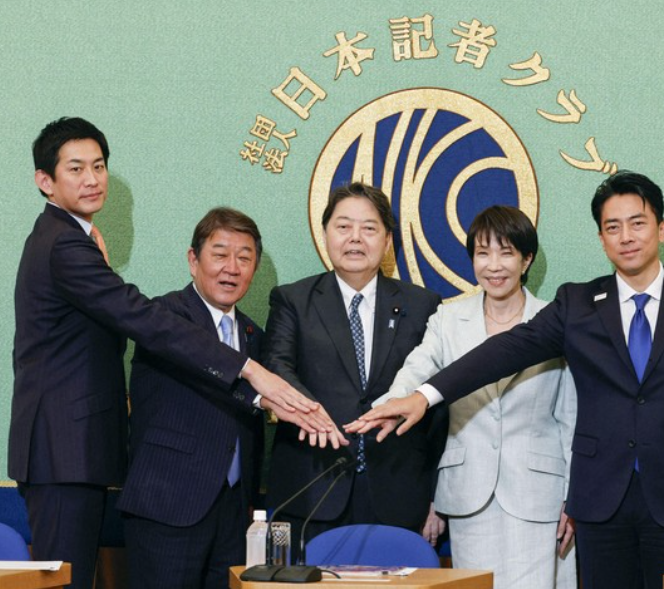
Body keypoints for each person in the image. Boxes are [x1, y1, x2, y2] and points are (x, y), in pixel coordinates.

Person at [348, 171, 664, 589]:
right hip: (599, 499)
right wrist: (425, 396)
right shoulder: (579, 304)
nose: (626, 236)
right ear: (601, 239)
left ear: (661, 230)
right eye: (613, 227)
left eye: (637, 223)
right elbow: (503, 352)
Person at [9, 117, 334, 589]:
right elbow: (141, 317)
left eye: (98, 166)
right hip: (64, 449)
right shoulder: (65, 244)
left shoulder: (73, 239)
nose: (92, 179)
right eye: (75, 169)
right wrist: (249, 371)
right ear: (45, 181)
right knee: (67, 583)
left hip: (76, 450)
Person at [375, 205, 577, 589]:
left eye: (506, 252)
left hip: (541, 495)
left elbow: (571, 416)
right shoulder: (447, 319)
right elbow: (418, 368)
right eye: (483, 253)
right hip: (469, 493)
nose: (494, 265)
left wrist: (576, 496)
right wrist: (393, 403)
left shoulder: (553, 321)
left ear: (526, 258)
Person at [264, 182, 445, 552]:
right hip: (313, 487)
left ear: (387, 238)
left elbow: (438, 405)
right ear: (326, 232)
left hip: (398, 493)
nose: (355, 238)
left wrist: (436, 497)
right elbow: (277, 367)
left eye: (369, 228)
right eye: (343, 226)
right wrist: (311, 413)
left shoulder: (423, 304)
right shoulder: (293, 300)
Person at [118, 207, 280, 588]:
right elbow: (204, 364)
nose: (232, 267)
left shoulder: (254, 335)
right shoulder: (164, 315)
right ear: (194, 260)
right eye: (220, 254)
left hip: (234, 513)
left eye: (244, 258)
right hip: (167, 508)